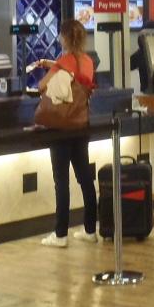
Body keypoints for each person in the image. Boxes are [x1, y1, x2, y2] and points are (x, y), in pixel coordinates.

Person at [32, 19, 99, 247]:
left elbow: (42, 86)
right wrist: (55, 65)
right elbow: (78, 77)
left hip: (60, 128)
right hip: (81, 124)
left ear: (64, 38)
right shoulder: (88, 61)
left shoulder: (63, 62)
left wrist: (53, 68)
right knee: (85, 178)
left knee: (61, 181)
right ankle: (90, 230)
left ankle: (60, 234)